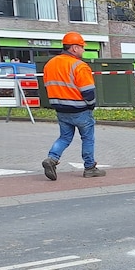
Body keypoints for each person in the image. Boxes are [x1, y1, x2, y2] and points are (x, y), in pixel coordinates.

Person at [41, 32, 103, 180]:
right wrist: (91, 106)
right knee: (87, 138)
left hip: (61, 109)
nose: (83, 50)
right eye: (82, 47)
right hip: (80, 109)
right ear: (74, 48)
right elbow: (88, 91)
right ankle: (89, 168)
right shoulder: (79, 66)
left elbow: (47, 85)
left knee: (64, 137)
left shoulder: (50, 64)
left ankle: (52, 158)